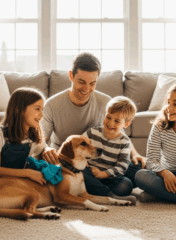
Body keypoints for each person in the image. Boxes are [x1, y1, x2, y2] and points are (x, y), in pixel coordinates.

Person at [40, 52, 146, 189]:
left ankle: (108, 182)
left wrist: (135, 154)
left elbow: (119, 134)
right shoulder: (51, 105)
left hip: (104, 159)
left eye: (92, 83)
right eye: (81, 82)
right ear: (71, 76)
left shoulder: (106, 102)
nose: (86, 89)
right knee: (111, 183)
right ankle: (107, 189)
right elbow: (41, 139)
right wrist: (47, 148)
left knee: (139, 170)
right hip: (72, 163)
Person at [82, 96, 137, 203]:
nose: (110, 123)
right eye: (108, 117)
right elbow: (79, 147)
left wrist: (105, 174)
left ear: (126, 124)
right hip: (90, 173)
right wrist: (85, 163)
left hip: (110, 177)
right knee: (81, 173)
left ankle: (98, 191)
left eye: (117, 121)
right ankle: (108, 195)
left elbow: (122, 165)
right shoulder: (92, 132)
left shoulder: (124, 141)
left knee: (126, 185)